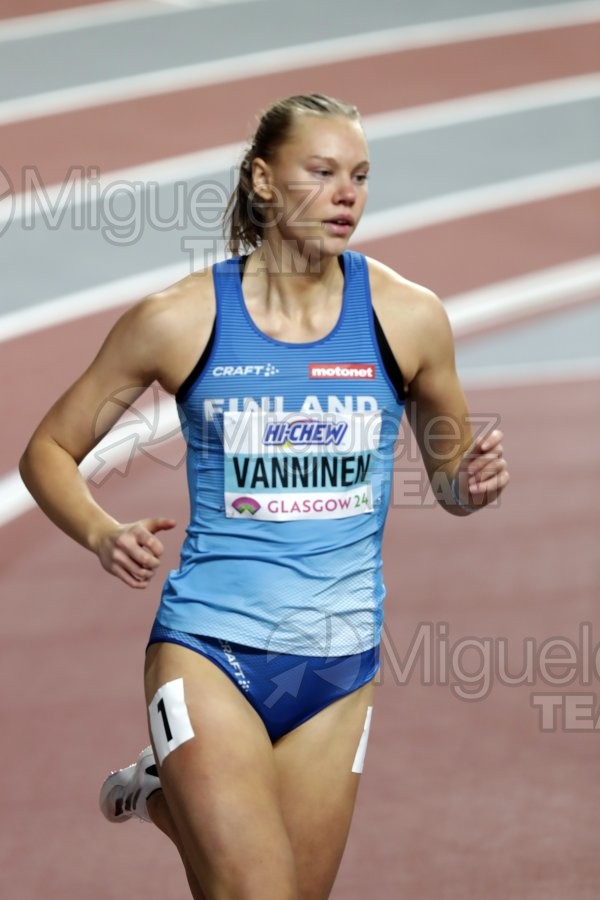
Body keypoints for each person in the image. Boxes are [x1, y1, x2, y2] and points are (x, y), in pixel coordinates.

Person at [20, 93, 509, 899]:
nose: (348, 193)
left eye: (360, 175)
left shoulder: (407, 317)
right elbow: (49, 450)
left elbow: (452, 480)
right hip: (210, 647)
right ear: (263, 181)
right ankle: (180, 788)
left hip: (338, 664)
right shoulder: (179, 320)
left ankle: (162, 796)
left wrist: (471, 485)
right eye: (322, 172)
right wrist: (102, 532)